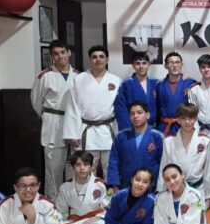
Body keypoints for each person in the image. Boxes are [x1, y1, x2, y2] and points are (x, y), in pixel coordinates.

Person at [62, 45, 121, 177]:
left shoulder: (116, 80)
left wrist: (121, 134)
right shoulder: (79, 79)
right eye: (94, 57)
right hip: (87, 131)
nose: (98, 59)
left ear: (107, 59)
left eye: (101, 57)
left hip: (108, 130)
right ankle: (88, 197)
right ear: (90, 59)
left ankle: (110, 197)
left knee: (110, 168)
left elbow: (120, 109)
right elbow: (72, 107)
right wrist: (73, 133)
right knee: (87, 169)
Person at [30, 40, 78, 199]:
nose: (60, 56)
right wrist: (48, 116)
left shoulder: (78, 75)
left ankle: (72, 201)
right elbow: (36, 101)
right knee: (53, 167)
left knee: (74, 165)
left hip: (73, 121)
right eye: (56, 54)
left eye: (63, 52)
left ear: (68, 53)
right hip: (53, 121)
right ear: (51, 56)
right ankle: (53, 203)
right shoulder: (44, 76)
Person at [129, 164, 206, 224]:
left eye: (174, 177)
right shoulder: (160, 197)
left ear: (182, 175)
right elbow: (161, 223)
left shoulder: (195, 195)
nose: (172, 182)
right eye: (167, 179)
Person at [156, 103, 210, 205]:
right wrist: (161, 191)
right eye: (183, 118)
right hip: (174, 191)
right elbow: (163, 167)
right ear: (178, 120)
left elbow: (208, 170)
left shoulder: (205, 140)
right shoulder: (169, 141)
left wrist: (208, 196)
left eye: (191, 118)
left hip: (197, 191)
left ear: (196, 118)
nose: (187, 122)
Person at [107, 101, 164, 191]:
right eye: (132, 114)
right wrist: (115, 185)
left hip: (151, 187)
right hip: (126, 186)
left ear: (148, 115)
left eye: (139, 113)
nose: (135, 116)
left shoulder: (158, 137)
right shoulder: (121, 136)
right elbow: (114, 162)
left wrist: (160, 187)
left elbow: (163, 163)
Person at [55, 151, 109, 224]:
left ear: (92, 167)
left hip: (93, 222)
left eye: (86, 164)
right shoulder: (65, 187)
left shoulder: (100, 184)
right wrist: (61, 222)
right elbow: (60, 210)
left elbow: (108, 207)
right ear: (72, 167)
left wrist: (96, 218)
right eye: (78, 165)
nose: (82, 168)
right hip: (74, 223)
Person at [114, 52, 159, 130]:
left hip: (153, 128)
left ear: (149, 65)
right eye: (138, 63)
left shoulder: (156, 83)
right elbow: (121, 109)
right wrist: (127, 130)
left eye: (144, 63)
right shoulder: (126, 84)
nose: (141, 66)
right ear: (133, 65)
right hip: (133, 128)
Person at [156, 52, 196, 136]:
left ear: (182, 65)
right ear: (165, 66)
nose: (174, 65)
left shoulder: (191, 83)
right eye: (171, 63)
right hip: (165, 126)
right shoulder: (159, 85)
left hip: (185, 126)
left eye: (177, 62)